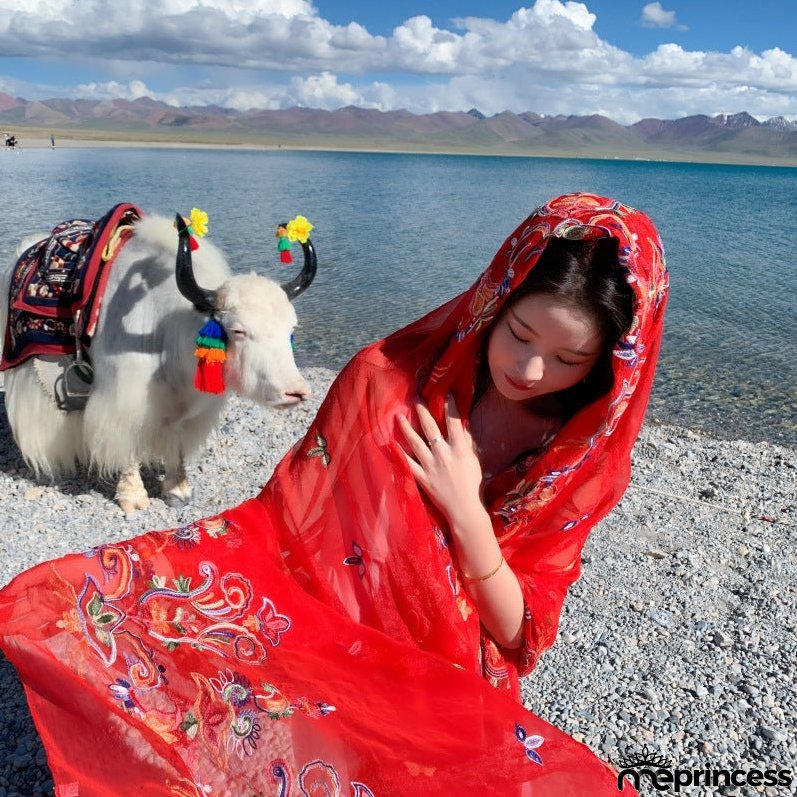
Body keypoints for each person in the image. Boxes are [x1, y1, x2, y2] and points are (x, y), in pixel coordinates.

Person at [0, 193, 668, 796]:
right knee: (77, 608)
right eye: (519, 335)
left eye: (567, 360)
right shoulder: (383, 384)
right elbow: (287, 522)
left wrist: (465, 512)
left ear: (613, 363)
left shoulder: (579, 461)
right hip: (328, 621)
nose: (528, 369)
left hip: (444, 670)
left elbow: (518, 635)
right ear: (492, 299)